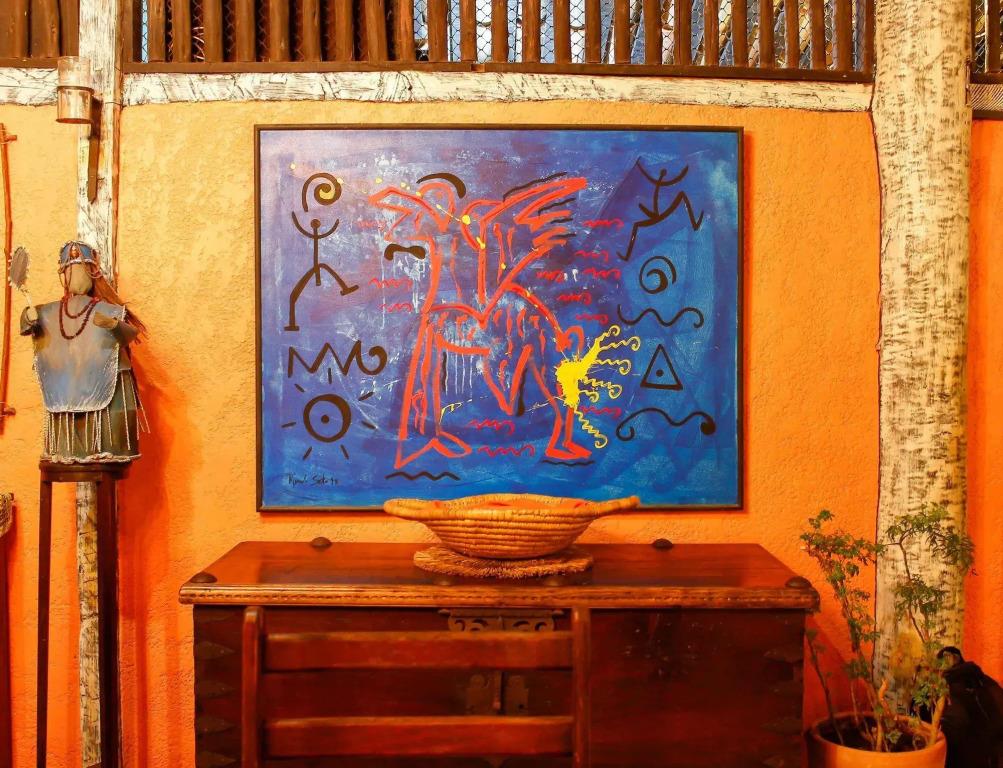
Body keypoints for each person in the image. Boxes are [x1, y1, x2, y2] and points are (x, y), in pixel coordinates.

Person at [20, 241, 147, 463]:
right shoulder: (48, 312)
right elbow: (26, 325)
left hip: (107, 403)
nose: (75, 273)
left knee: (106, 456)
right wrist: (28, 317)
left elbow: (130, 334)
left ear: (92, 272)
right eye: (70, 268)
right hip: (64, 399)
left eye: (80, 268)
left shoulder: (110, 310)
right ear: (63, 274)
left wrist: (113, 325)